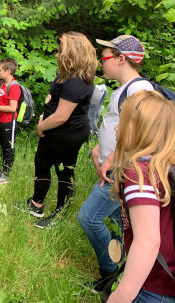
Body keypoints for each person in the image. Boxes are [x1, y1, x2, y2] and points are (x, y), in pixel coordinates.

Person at [78, 35, 153, 292]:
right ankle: (127, 271)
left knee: (89, 218)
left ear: (122, 59)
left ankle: (110, 272)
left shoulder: (138, 90)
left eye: (105, 56)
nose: (101, 61)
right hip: (114, 169)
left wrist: (112, 158)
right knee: (122, 223)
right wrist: (100, 149)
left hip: (122, 172)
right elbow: (116, 125)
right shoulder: (124, 89)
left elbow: (143, 135)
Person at [16, 31, 97, 228]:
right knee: (41, 164)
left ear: (73, 54)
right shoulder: (66, 75)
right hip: (54, 130)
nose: (56, 55)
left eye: (60, 52)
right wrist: (45, 114)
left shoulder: (77, 81)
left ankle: (60, 215)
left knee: (64, 174)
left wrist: (41, 126)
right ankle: (36, 204)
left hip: (67, 134)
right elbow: (54, 101)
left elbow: (61, 116)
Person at [106, 90, 175, 302]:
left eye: (123, 121)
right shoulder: (164, 165)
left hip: (153, 287)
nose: (116, 127)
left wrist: (122, 295)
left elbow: (148, 240)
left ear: (142, 129)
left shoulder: (139, 171)